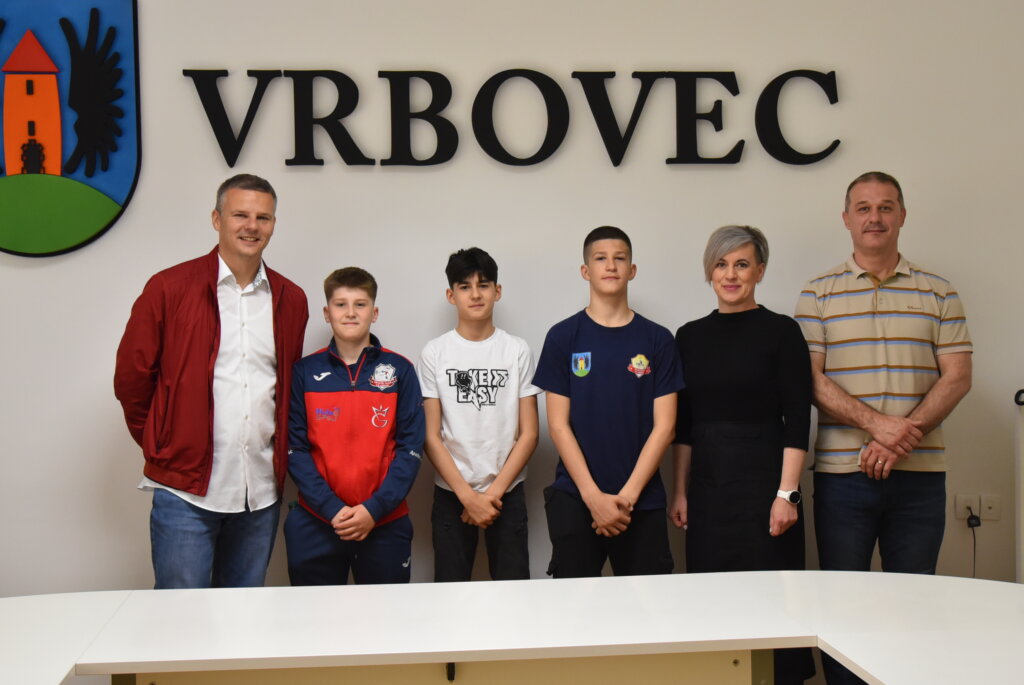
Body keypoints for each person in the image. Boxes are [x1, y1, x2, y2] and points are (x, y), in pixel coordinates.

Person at [794, 172, 972, 684]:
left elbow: (958, 376)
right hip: (841, 478)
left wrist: (898, 438)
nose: (875, 217)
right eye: (864, 208)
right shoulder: (817, 294)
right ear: (846, 219)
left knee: (915, 602)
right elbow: (811, 380)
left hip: (920, 476)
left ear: (902, 216)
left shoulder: (940, 292)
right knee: (842, 607)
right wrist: (878, 426)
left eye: (886, 207)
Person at [114, 174, 308, 589]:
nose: (251, 226)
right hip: (185, 492)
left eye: (263, 217)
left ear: (274, 225)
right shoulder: (169, 288)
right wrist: (163, 443)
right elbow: (132, 379)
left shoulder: (291, 299)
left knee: (243, 618)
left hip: (259, 492)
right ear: (217, 219)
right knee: (181, 618)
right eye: (240, 215)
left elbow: (286, 388)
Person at [671, 225, 814, 685]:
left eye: (741, 264)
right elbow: (684, 426)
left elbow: (798, 417)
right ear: (709, 271)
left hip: (766, 488)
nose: (730, 275)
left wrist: (787, 494)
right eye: (721, 264)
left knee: (775, 607)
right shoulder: (689, 336)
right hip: (708, 491)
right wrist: (680, 492)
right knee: (713, 607)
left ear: (760, 271)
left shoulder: (783, 332)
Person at [533, 226, 682, 578]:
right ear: (586, 271)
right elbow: (558, 425)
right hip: (576, 497)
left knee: (649, 606)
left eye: (620, 258)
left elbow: (665, 427)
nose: (611, 266)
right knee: (574, 607)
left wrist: (626, 498)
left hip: (641, 500)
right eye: (601, 258)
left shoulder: (658, 339)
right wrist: (593, 498)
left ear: (632, 269)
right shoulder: (563, 337)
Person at [285, 267, 424, 585]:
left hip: (384, 521)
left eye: (360, 304)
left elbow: (411, 449)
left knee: (385, 615)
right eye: (341, 304)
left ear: (374, 313)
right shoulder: (304, 372)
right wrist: (331, 508)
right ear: (327, 313)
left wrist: (374, 509)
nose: (350, 313)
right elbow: (295, 449)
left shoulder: (400, 370)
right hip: (317, 520)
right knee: (313, 615)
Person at [418, 247, 541, 581]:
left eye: (483, 285)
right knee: (450, 591)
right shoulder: (435, 353)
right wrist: (467, 496)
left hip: (507, 491)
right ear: (451, 295)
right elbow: (431, 436)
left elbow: (530, 433)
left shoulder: (516, 350)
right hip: (452, 492)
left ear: (497, 291)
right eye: (465, 286)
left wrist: (492, 495)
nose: (475, 294)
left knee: (514, 591)